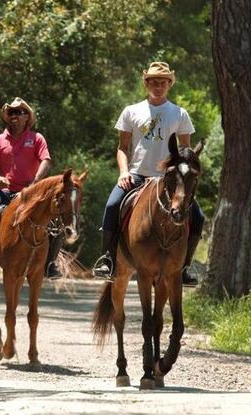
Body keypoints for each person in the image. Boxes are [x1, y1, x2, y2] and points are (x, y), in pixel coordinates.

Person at [92, 61, 205, 286]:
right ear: (146, 83)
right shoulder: (131, 111)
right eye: (153, 81)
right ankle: (107, 259)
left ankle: (185, 266)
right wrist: (123, 172)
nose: (158, 85)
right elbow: (122, 148)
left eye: (163, 82)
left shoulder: (180, 114)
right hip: (137, 176)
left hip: (169, 181)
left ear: (169, 84)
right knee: (113, 205)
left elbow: (185, 153)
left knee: (198, 216)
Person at [0, 97, 63, 280]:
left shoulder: (36, 138)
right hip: (5, 192)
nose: (15, 116)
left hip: (31, 194)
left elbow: (46, 160)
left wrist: (35, 182)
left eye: (19, 112)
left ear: (27, 116)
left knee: (55, 220)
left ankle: (50, 263)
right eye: (11, 112)